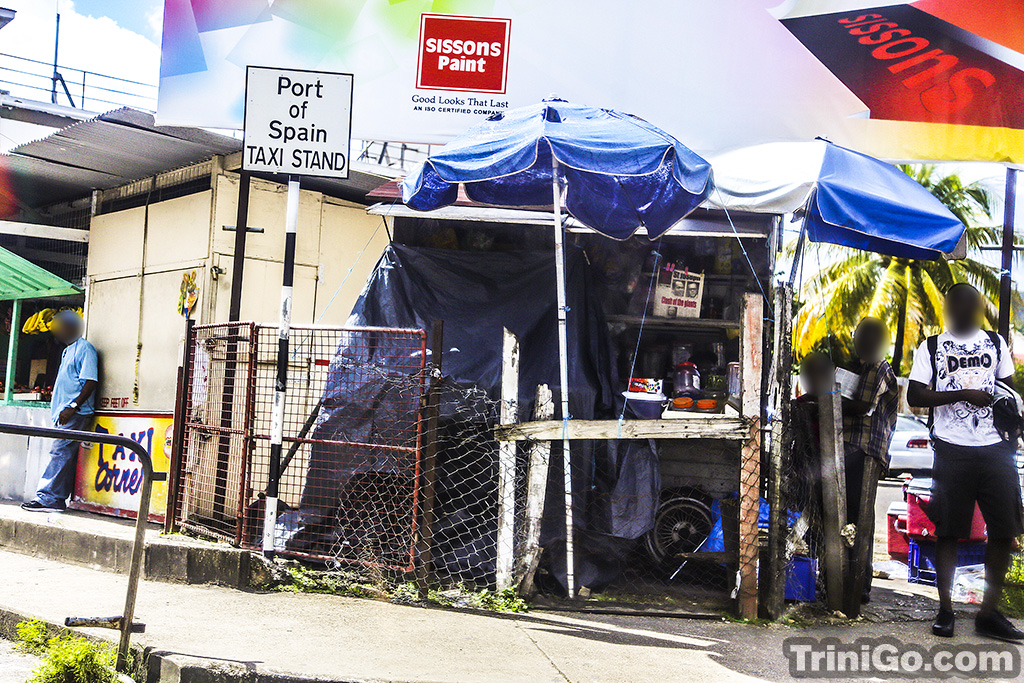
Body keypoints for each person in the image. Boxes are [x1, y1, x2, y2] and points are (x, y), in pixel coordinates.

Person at [907, 283, 1024, 641]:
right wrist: (964, 393)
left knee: (1005, 530)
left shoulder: (995, 342)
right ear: (947, 308)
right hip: (952, 448)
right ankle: (945, 611)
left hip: (996, 448)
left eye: (969, 304)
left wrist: (1013, 422)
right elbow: (914, 395)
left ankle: (988, 614)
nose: (962, 310)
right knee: (948, 532)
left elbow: (1009, 391)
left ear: (977, 308)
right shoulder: (931, 347)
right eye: (955, 304)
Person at [841, 317, 899, 603]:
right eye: (859, 334)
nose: (860, 340)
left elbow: (863, 407)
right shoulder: (861, 368)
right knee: (851, 515)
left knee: (860, 516)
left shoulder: (878, 366)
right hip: (852, 448)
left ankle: (859, 584)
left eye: (867, 335)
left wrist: (828, 401)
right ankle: (850, 579)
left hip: (865, 450)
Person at [21, 310, 98, 513]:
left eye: (62, 327)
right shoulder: (68, 350)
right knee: (62, 453)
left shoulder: (85, 348)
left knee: (60, 452)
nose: (58, 332)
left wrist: (72, 407)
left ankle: (48, 498)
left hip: (75, 412)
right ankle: (55, 498)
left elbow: (90, 380)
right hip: (64, 412)